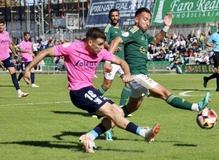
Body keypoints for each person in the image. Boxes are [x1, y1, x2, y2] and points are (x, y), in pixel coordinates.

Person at [23, 27, 160, 153]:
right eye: (99, 44)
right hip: (78, 92)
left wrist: (127, 73)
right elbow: (46, 52)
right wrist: (28, 69)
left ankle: (89, 137)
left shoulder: (100, 53)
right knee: (113, 112)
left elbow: (122, 62)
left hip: (89, 89)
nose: (102, 48)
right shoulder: (72, 47)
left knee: (117, 112)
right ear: (89, 42)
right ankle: (144, 133)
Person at [109, 7, 210, 119]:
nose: (148, 22)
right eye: (145, 19)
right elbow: (116, 40)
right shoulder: (134, 31)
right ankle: (197, 107)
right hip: (136, 75)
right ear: (136, 20)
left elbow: (156, 40)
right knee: (165, 93)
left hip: (140, 75)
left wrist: (166, 26)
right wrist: (108, 61)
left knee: (131, 108)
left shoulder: (143, 34)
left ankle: (102, 125)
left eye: (149, 20)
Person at [97, 8, 131, 140]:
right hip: (111, 60)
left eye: (117, 15)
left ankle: (122, 108)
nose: (115, 17)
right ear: (110, 17)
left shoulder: (121, 29)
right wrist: (110, 47)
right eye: (113, 16)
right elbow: (102, 40)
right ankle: (95, 105)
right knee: (106, 86)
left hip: (121, 61)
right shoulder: (108, 28)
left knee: (128, 82)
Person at [0, 18, 28, 98]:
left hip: (6, 57)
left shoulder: (6, 34)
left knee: (13, 72)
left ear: (4, 26)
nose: (1, 27)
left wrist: (14, 53)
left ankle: (19, 92)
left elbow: (10, 45)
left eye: (2, 25)